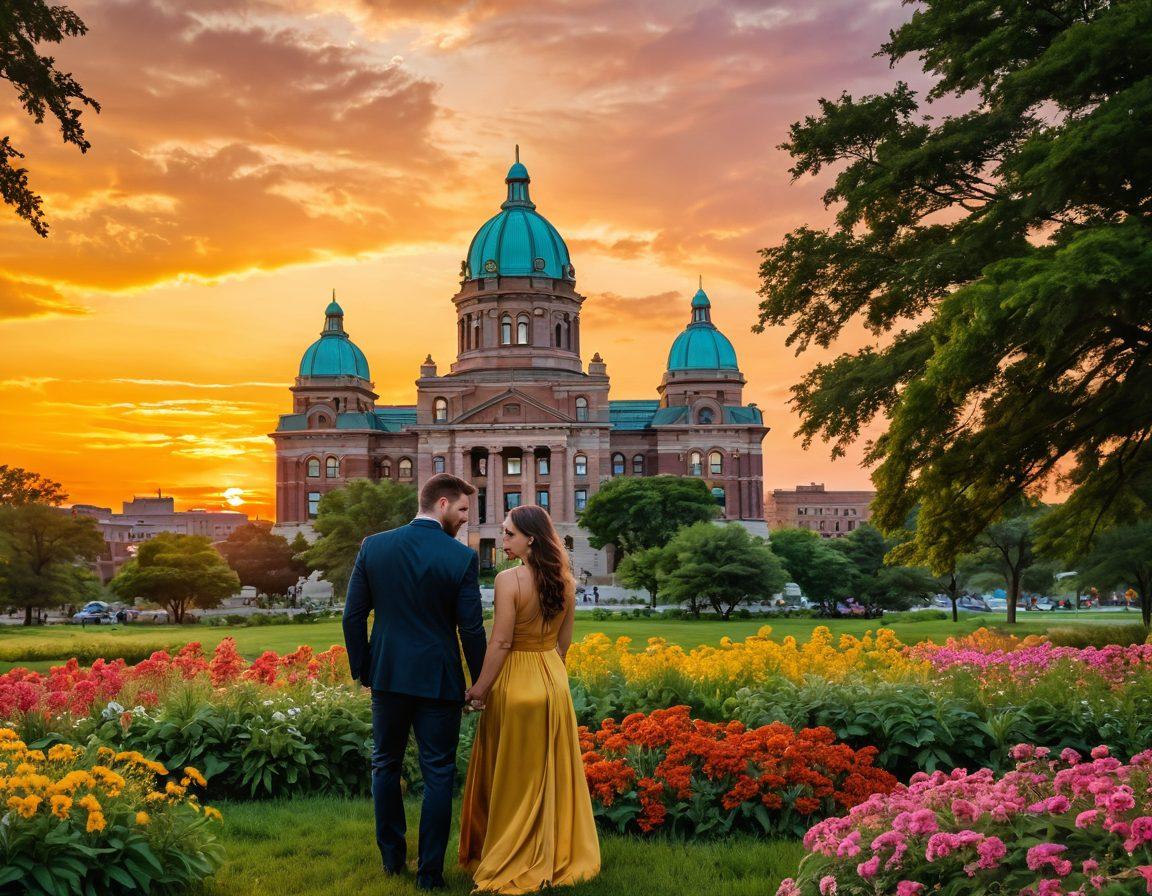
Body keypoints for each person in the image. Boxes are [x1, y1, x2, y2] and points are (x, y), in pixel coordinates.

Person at [343, 473, 487, 890]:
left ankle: (391, 862)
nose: (465, 519)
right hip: (438, 678)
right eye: (462, 510)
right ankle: (429, 874)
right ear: (442, 504)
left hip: (387, 675)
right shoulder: (460, 557)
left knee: (384, 764)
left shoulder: (375, 546)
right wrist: (480, 683)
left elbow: (353, 617)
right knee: (438, 772)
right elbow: (472, 630)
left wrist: (364, 669)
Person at [458, 504, 600, 893]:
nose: (502, 539)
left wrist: (479, 690)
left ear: (530, 539)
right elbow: (563, 644)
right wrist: (550, 676)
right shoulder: (565, 581)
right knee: (548, 772)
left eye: (509, 534)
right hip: (552, 680)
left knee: (514, 775)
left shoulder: (509, 581)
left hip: (516, 682)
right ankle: (553, 850)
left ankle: (512, 850)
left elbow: (501, 641)